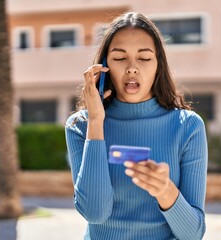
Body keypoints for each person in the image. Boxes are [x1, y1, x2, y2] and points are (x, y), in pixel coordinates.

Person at [65, 12, 208, 240]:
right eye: (120, 58)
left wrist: (165, 191)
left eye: (144, 58)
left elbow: (193, 234)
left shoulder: (188, 127)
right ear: (104, 67)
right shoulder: (80, 125)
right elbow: (95, 213)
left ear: (158, 66)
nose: (132, 68)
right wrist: (96, 122)